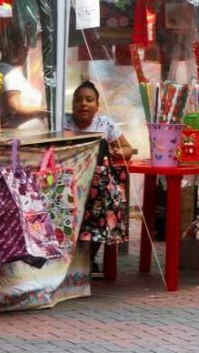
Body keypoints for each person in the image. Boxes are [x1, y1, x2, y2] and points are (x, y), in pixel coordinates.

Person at [64, 81, 133, 276]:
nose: (83, 104)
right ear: (72, 105)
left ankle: (88, 258)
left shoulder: (105, 124)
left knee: (104, 208)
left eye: (89, 100)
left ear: (97, 105)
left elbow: (128, 149)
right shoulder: (63, 123)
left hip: (96, 187)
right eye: (78, 100)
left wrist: (118, 151)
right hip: (70, 182)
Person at [0, 34, 47, 131]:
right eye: (22, 46)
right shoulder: (9, 73)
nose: (26, 51)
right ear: (9, 49)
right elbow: (15, 108)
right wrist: (44, 110)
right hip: (22, 136)